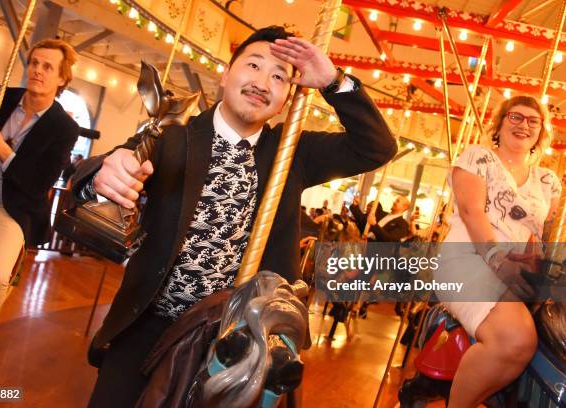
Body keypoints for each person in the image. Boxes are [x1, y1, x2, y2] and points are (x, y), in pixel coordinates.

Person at [72, 26, 396, 406]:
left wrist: (332, 82)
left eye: (279, 76)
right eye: (254, 65)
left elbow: (376, 147)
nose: (263, 82)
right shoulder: (174, 136)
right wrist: (103, 174)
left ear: (288, 95)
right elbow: (106, 167)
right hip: (151, 320)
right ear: (226, 74)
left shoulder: (292, 153)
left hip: (235, 336)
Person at [0, 39, 79, 362]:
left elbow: (39, 185)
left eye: (47, 66)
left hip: (6, 212)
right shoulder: (0, 97)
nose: (37, 70)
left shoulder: (64, 128)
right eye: (34, 62)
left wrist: (2, 148)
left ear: (62, 78)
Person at [438, 95, 561, 407]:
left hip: (516, 269)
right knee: (515, 338)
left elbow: (540, 234)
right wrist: (496, 259)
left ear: (541, 132)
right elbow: (471, 212)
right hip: (469, 259)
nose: (524, 125)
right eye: (516, 117)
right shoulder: (478, 158)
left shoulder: (547, 180)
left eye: (533, 121)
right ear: (501, 122)